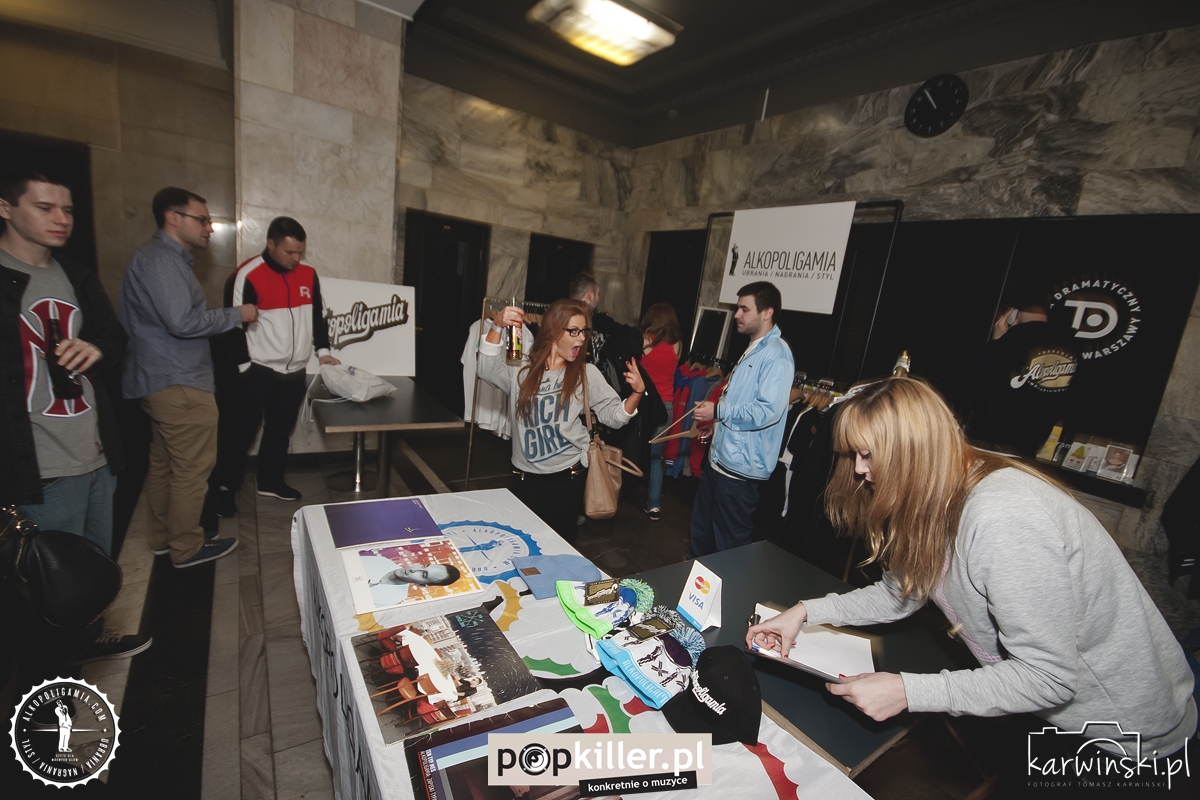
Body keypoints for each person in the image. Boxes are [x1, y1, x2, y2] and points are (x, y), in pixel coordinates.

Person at [746, 377, 1196, 760]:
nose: (861, 471)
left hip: (1122, 735)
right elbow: (901, 591)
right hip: (1052, 713)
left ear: (914, 451)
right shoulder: (939, 488)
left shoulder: (1003, 518)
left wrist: (908, 691)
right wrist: (805, 612)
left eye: (868, 455)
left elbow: (1049, 677)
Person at [1, 167, 150, 665]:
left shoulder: (76, 275)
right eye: (44, 207)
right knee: (47, 583)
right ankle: (50, 682)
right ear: (6, 208)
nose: (61, 218)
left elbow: (113, 336)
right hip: (39, 463)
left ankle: (87, 644)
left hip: (95, 451)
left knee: (90, 570)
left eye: (66, 209)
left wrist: (97, 348)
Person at [119, 187, 254, 568]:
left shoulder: (158, 258)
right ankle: (186, 546)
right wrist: (237, 314)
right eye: (202, 219)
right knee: (192, 470)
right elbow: (182, 322)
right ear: (172, 217)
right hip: (178, 380)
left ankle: (162, 538)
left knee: (165, 464)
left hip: (161, 378)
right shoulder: (162, 259)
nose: (209, 227)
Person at [478, 298, 644, 541]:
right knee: (524, 543)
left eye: (584, 331)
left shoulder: (586, 373)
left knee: (561, 546)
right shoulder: (522, 369)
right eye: (573, 331)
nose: (581, 338)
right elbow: (486, 370)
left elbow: (615, 417)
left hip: (568, 479)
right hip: (525, 479)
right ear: (554, 331)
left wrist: (637, 393)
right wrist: (497, 326)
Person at [210, 217, 339, 514]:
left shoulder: (308, 274)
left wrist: (323, 351)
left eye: (300, 252)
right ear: (271, 244)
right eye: (289, 252)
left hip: (293, 372)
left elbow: (318, 316)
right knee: (240, 434)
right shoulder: (247, 274)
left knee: (280, 431)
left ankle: (270, 481)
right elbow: (232, 326)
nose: (296, 259)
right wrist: (244, 369)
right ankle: (225, 489)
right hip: (257, 370)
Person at [689, 282, 793, 556]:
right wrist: (716, 426)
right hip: (719, 462)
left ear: (767, 312)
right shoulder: (754, 347)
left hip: (739, 473)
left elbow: (767, 411)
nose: (737, 314)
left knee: (729, 549)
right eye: (738, 308)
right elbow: (738, 401)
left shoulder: (777, 355)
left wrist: (718, 412)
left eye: (744, 309)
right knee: (701, 536)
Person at [965, 286, 1079, 457]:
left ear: (1013, 311)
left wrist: (996, 341)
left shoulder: (1011, 341)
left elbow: (977, 384)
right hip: (1030, 446)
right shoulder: (1071, 346)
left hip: (990, 442)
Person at [639, 302, 683, 521]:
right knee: (656, 458)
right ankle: (654, 505)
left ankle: (616, 494)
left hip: (643, 405)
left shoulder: (645, 340)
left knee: (632, 450)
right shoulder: (677, 345)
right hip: (666, 407)